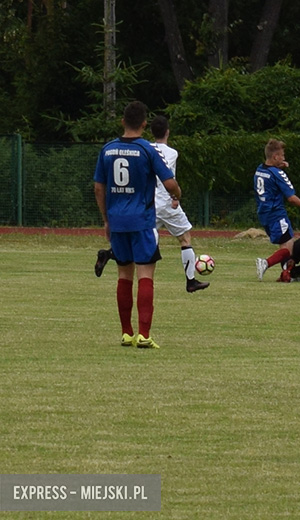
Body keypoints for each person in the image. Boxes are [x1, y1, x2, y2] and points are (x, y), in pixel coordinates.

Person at [93, 101, 182, 349]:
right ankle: (143, 335)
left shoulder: (107, 149)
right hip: (142, 221)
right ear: (144, 124)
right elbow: (170, 183)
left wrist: (106, 219)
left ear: (122, 121)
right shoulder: (147, 150)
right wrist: (177, 194)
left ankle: (126, 333)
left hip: (117, 221)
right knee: (145, 275)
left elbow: (98, 188)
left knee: (124, 275)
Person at [94, 116, 210, 294]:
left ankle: (109, 253)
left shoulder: (144, 147)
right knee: (185, 239)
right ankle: (191, 281)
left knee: (133, 240)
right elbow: (169, 179)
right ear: (167, 132)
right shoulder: (171, 153)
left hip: (145, 204)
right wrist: (175, 197)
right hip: (165, 203)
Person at [253, 139, 300, 281]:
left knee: (286, 242)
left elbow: (270, 173)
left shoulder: (260, 169)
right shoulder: (278, 174)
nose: (284, 158)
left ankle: (288, 274)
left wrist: (279, 166)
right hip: (276, 213)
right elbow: (291, 198)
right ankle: (265, 263)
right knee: (287, 247)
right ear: (275, 157)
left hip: (264, 213)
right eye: (282, 155)